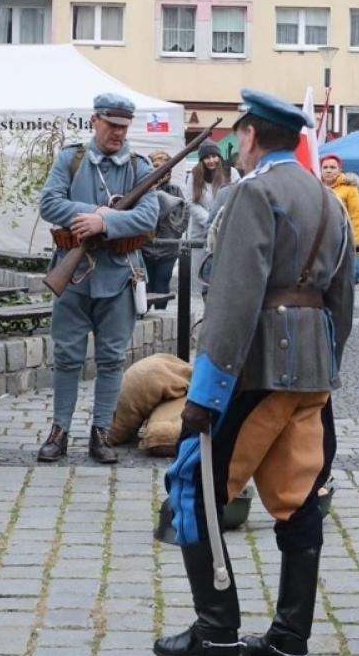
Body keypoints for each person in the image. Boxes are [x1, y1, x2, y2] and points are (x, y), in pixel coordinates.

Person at [154, 88, 355, 656]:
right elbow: (341, 301)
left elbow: (236, 300)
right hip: (311, 373)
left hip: (258, 369)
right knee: (297, 501)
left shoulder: (251, 193)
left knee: (193, 488)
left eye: (237, 138)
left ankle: (216, 633)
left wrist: (204, 396)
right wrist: (327, 365)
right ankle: (290, 640)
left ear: (249, 136)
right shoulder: (330, 200)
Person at [37, 93, 159, 464]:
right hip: (72, 273)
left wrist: (105, 222)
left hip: (119, 275)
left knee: (110, 358)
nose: (118, 134)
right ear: (95, 121)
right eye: (112, 126)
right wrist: (92, 212)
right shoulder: (71, 159)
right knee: (66, 356)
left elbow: (148, 218)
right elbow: (49, 203)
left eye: (124, 127)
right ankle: (59, 431)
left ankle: (101, 431)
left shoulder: (138, 167)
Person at [141, 150, 188, 310]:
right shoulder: (143, 190)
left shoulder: (175, 191)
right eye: (155, 166)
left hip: (167, 249)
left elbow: (183, 218)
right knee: (145, 287)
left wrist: (172, 233)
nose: (159, 170)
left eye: (163, 167)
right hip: (145, 248)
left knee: (162, 285)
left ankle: (162, 317)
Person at [187, 141, 237, 242]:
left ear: (219, 156)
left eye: (214, 156)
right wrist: (210, 221)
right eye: (207, 157)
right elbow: (190, 202)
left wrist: (220, 222)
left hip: (226, 231)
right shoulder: (194, 175)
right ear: (201, 160)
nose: (211, 160)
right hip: (200, 233)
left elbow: (238, 198)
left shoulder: (231, 173)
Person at [318, 155, 359, 245]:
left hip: (342, 240)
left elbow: (356, 217)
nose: (328, 170)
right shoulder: (315, 187)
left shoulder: (350, 189)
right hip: (319, 241)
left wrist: (356, 243)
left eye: (332, 167)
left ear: (339, 170)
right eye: (325, 167)